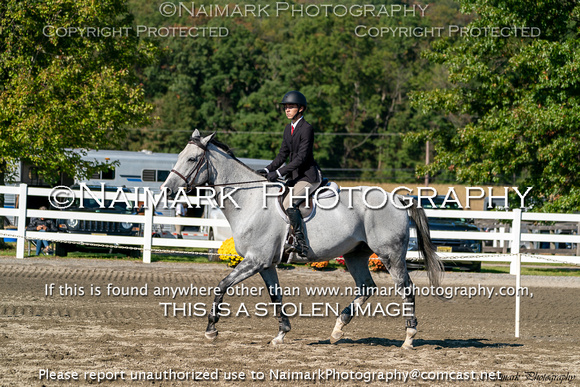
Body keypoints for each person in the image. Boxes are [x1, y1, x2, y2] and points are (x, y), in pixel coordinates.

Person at [256, 91, 322, 257]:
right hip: (294, 178)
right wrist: (267, 169)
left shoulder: (307, 129)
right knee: (275, 200)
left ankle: (301, 244)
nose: (287, 110)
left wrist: (278, 172)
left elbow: (301, 158)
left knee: (289, 203)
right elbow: (282, 155)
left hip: (308, 177)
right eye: (286, 107)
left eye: (291, 107)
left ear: (300, 109)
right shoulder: (288, 129)